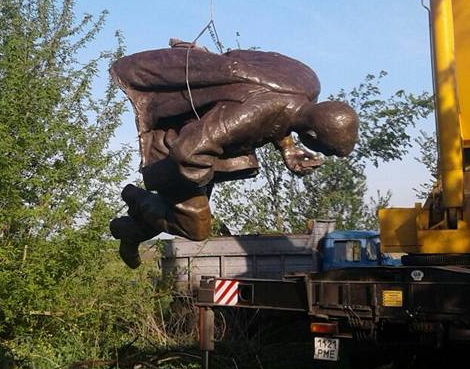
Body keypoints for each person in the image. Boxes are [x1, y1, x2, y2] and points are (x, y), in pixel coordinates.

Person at [107, 40, 359, 268]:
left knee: (183, 212)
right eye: (324, 150)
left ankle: (131, 231)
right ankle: (136, 199)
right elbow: (188, 151)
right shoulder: (249, 115)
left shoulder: (307, 81)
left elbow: (279, 103)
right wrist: (194, 187)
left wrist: (287, 148)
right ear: (312, 136)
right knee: (195, 226)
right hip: (177, 148)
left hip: (206, 146)